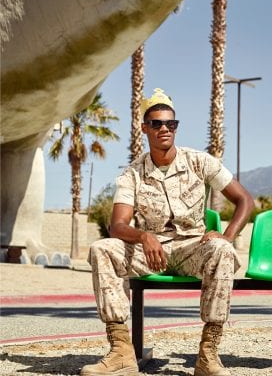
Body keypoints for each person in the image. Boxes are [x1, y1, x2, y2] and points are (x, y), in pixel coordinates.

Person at [82, 88, 254, 376]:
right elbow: (118, 225)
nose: (165, 129)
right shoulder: (132, 173)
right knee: (102, 248)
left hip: (192, 249)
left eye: (171, 124)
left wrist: (227, 235)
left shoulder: (199, 161)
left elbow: (245, 200)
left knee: (223, 250)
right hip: (152, 252)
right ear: (145, 129)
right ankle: (121, 352)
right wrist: (144, 236)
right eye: (158, 124)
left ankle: (208, 356)